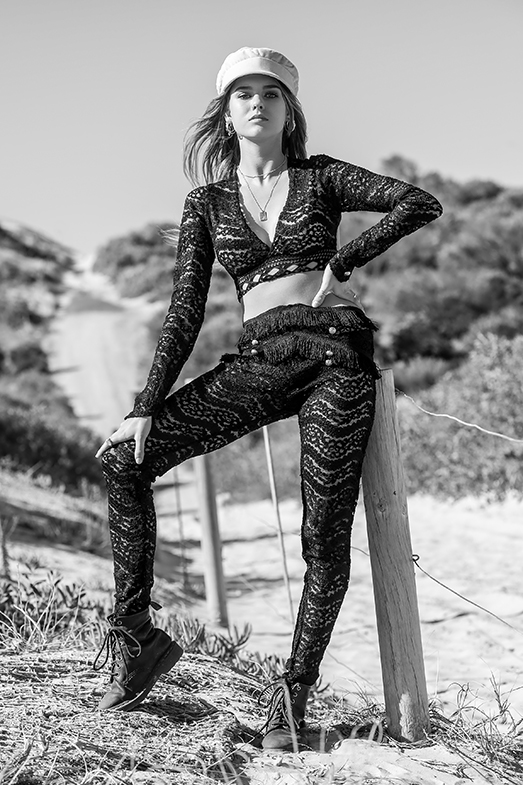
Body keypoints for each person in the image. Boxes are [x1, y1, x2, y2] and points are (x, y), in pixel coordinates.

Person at [94, 46, 442, 749]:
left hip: (334, 358)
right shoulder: (206, 203)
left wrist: (344, 260)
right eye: (243, 93)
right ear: (226, 114)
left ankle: (290, 702)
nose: (258, 102)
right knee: (123, 461)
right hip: (258, 359)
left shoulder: (321, 177)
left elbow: (418, 202)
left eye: (271, 93)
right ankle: (136, 636)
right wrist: (144, 405)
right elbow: (184, 310)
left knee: (323, 538)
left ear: (289, 110)